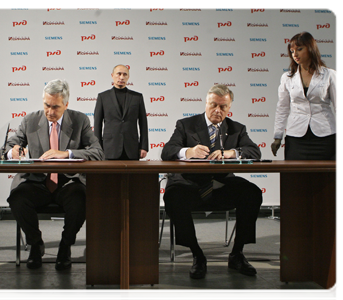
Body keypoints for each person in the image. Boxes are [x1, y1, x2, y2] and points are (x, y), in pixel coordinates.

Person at [0, 79, 104, 270]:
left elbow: (98, 152)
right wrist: (12, 152)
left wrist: (67, 154)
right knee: (18, 198)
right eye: (47, 105)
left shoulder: (80, 121)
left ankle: (65, 246)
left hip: (68, 182)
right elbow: (9, 146)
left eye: (56, 107)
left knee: (81, 199)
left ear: (66, 105)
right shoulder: (30, 120)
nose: (50, 112)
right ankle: (35, 245)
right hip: (37, 182)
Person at [161, 84, 263, 279]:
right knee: (173, 197)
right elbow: (167, 151)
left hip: (220, 185)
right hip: (189, 185)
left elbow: (255, 152)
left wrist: (232, 152)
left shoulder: (236, 129)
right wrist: (188, 152)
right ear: (206, 103)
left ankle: (237, 254)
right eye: (213, 105)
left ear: (229, 107)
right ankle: (197, 255)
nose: (217, 110)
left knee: (252, 193)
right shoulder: (186, 125)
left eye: (223, 107)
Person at [271, 31, 340, 160]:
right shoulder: (287, 77)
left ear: (311, 49)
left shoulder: (330, 74)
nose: (295, 54)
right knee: (295, 179)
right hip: (296, 137)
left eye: (299, 49)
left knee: (326, 179)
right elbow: (282, 108)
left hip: (326, 136)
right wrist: (277, 136)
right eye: (292, 51)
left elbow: (339, 107)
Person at [94, 64, 148, 160]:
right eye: (118, 74)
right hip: (109, 148)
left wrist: (144, 146)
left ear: (128, 77)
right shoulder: (103, 97)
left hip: (132, 148)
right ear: (112, 75)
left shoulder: (137, 97)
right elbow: (97, 124)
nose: (121, 77)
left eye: (125, 74)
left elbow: (143, 123)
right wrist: (97, 148)